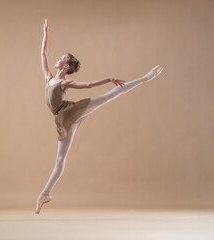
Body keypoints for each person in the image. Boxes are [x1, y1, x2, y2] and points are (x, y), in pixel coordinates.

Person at [35, 18, 163, 214]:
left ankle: (146, 78)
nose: (57, 59)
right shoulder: (49, 78)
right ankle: (45, 194)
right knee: (60, 160)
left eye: (61, 58)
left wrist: (109, 79)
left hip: (71, 111)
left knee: (110, 95)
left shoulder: (63, 83)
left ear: (66, 66)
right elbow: (42, 53)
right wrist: (45, 33)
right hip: (62, 120)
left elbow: (88, 85)